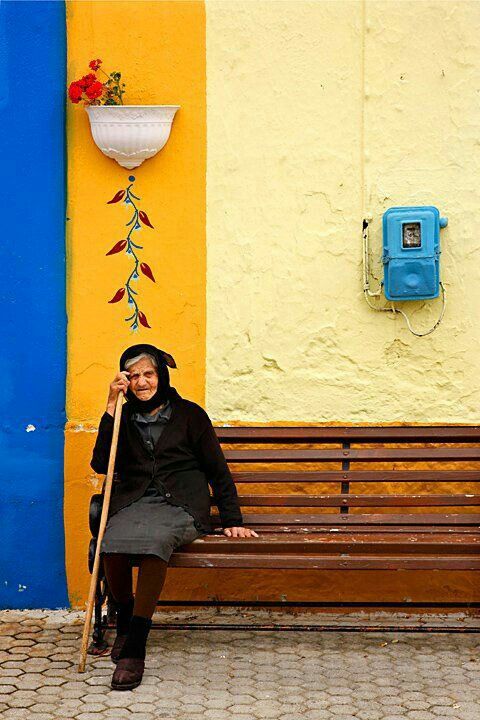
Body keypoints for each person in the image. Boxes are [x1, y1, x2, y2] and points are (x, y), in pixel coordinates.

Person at [90, 343, 258, 691]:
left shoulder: (190, 415)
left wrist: (232, 520)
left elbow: (217, 469)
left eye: (148, 374)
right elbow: (100, 462)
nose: (141, 382)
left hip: (181, 504)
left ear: (161, 376)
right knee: (110, 543)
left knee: (155, 542)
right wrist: (110, 407)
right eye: (133, 376)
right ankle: (123, 619)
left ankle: (135, 644)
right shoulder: (122, 417)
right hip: (134, 502)